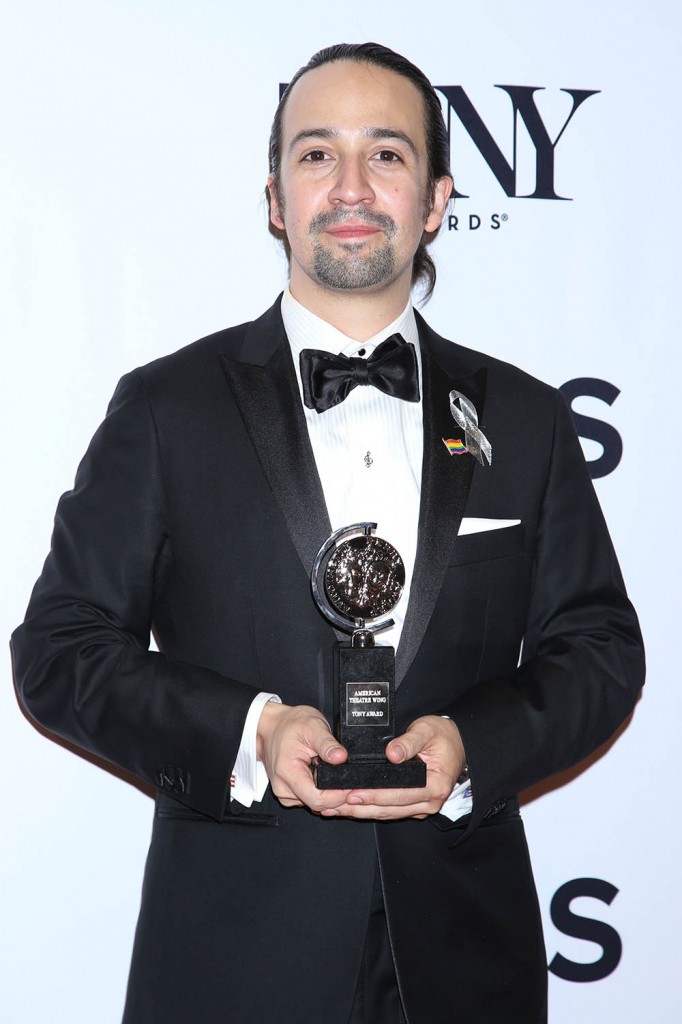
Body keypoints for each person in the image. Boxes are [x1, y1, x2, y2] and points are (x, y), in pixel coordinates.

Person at [11, 42, 644, 1024]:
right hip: (229, 959)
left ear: (435, 199)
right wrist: (250, 729)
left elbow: (597, 649)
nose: (349, 185)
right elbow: (60, 650)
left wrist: (471, 741)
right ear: (275, 197)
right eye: (315, 155)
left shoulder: (525, 419)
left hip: (465, 962)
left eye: (385, 155)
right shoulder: (164, 409)